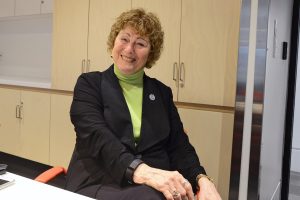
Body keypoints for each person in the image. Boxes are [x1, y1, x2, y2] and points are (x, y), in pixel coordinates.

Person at [65, 8, 221, 200]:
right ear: (113, 41)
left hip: (153, 183)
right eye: (124, 39)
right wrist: (143, 172)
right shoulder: (90, 84)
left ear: (150, 53)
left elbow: (179, 145)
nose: (129, 49)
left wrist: (202, 179)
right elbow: (98, 138)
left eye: (140, 43)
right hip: (100, 180)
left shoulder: (162, 93)